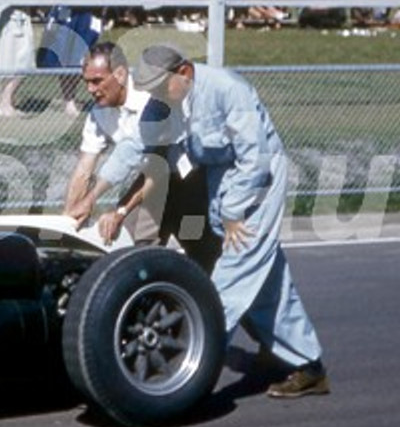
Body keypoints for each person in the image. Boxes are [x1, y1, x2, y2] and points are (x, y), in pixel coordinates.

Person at [127, 45, 330, 399]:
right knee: (267, 281)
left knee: (227, 281)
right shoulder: (174, 99)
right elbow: (145, 146)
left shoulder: (229, 89)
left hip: (257, 182)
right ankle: (307, 364)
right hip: (222, 180)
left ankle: (183, 376)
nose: (156, 96)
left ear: (185, 73)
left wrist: (234, 211)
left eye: (161, 87)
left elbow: (256, 157)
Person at [63, 44, 221, 269]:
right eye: (85, 81)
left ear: (119, 74)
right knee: (135, 255)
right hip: (151, 188)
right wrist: (68, 219)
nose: (89, 89)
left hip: (188, 184)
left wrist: (120, 209)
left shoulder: (152, 95)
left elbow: (155, 163)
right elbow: (84, 170)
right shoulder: (98, 113)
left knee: (203, 256)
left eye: (96, 81)